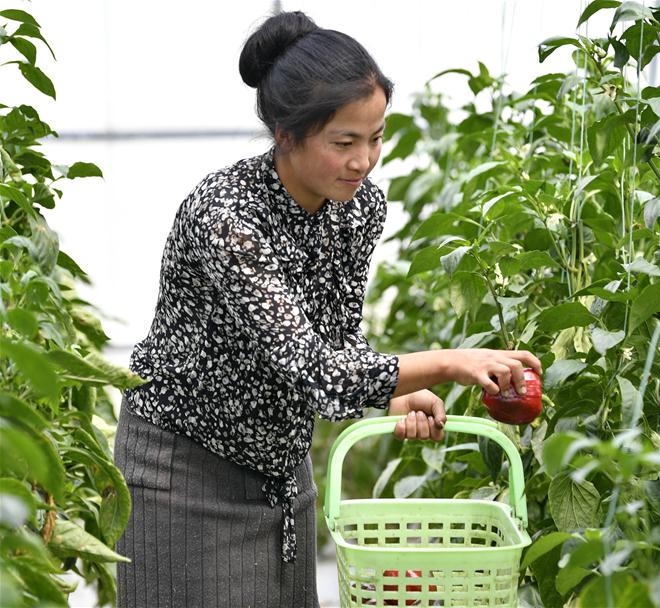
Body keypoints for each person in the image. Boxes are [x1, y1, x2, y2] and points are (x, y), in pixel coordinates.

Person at [114, 9, 541, 608]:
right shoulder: (226, 217)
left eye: (376, 137)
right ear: (286, 134)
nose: (364, 160)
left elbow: (335, 339)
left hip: (280, 474)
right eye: (344, 142)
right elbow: (314, 369)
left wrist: (393, 393)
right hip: (185, 473)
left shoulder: (357, 208)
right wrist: (451, 362)